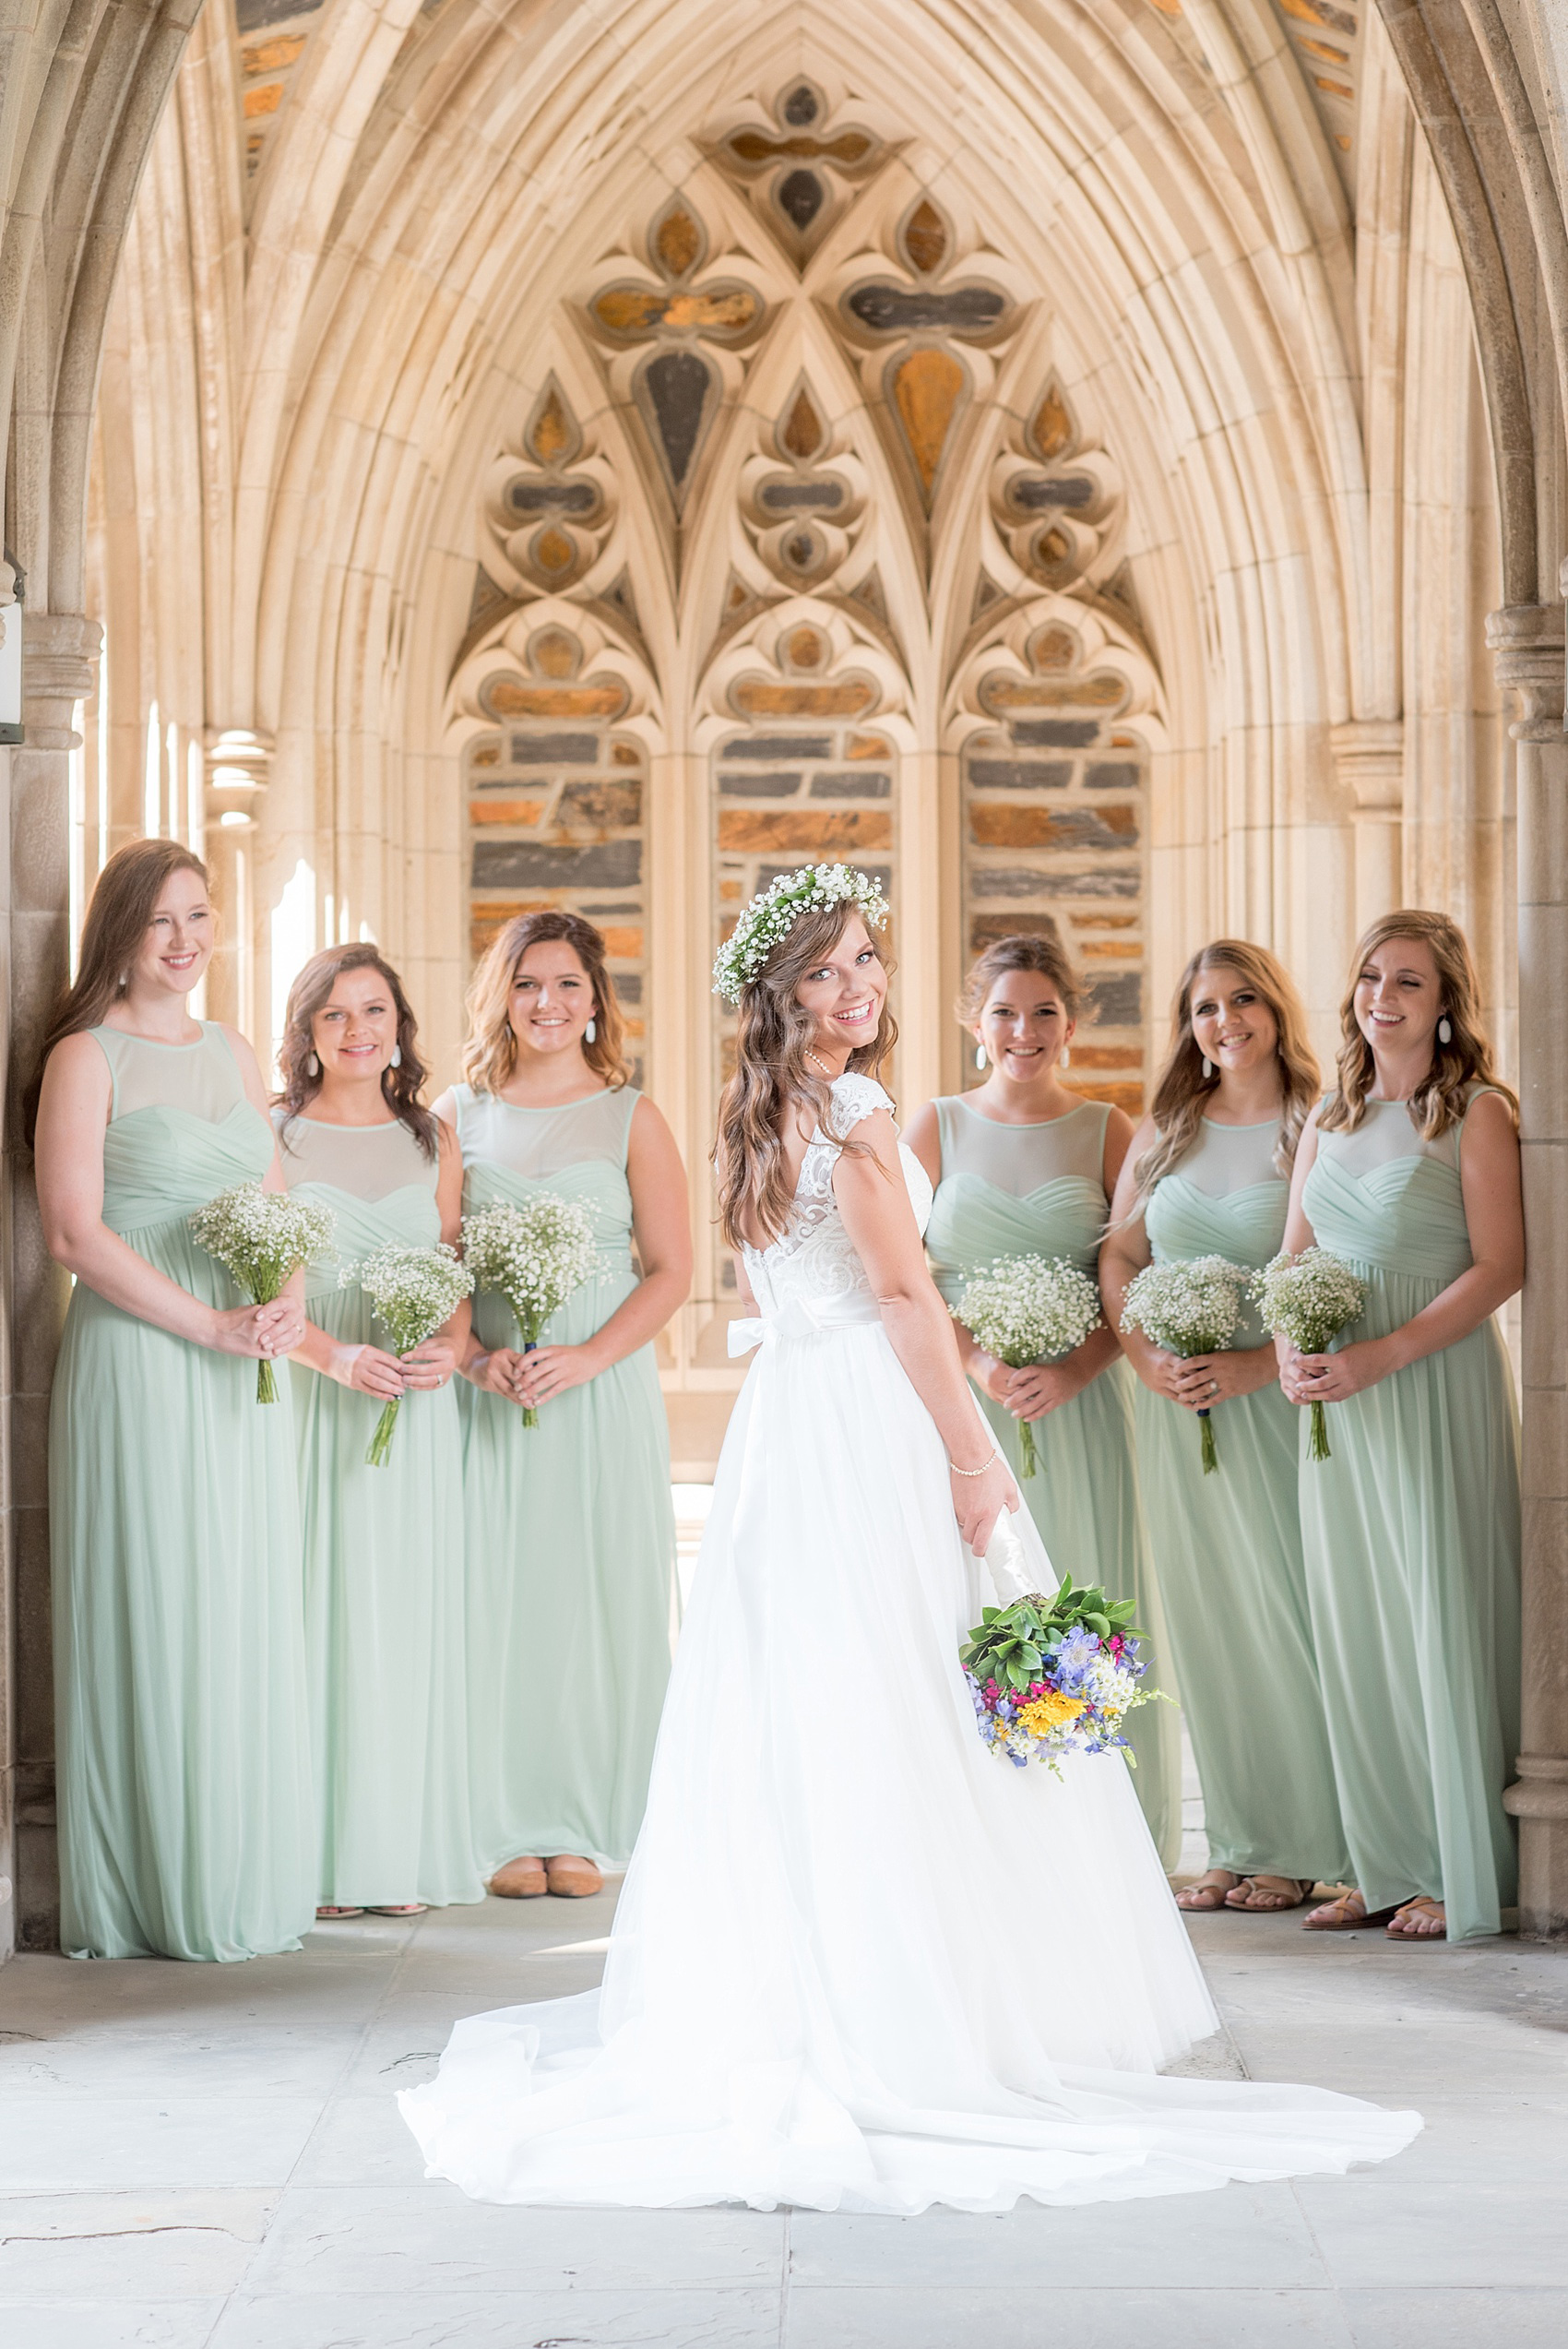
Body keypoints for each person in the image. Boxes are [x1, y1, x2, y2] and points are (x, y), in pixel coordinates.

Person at [400, 865, 1419, 2212]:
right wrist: (968, 1454)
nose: (857, 988)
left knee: (818, 1693)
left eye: (867, 960)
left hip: (789, 1422)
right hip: (869, 1421)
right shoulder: (865, 1108)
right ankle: (917, 2004)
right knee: (905, 1687)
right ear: (783, 993)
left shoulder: (755, 1108)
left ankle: (819, 1976)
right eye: (825, 972)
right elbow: (899, 1293)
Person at [33, 839, 314, 1961]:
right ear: (119, 931)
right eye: (162, 921)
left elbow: (274, 1196)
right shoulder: (84, 1058)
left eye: (200, 916)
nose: (186, 941)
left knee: (237, 1599)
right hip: (144, 1358)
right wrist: (208, 1324)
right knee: (157, 1597)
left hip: (244, 1358)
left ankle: (241, 1866)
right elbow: (70, 1233)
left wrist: (283, 1305)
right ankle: (155, 1880)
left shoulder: (233, 1048)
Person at [910, 933, 1181, 1869]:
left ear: (1070, 1020)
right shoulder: (931, 1128)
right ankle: (989, 1842)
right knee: (969, 1612)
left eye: (1041, 1012)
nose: (1021, 1030)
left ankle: (1109, 1846)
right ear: (970, 1020)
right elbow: (899, 1285)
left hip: (1082, 1410)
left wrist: (1075, 1367)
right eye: (1002, 1011)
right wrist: (980, 1366)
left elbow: (1131, 1279)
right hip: (961, 1411)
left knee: (1086, 1604)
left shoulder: (1111, 1130)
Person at [436, 911, 689, 1900]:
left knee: (590, 1596)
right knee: (493, 1597)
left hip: (598, 1386)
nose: (548, 1003)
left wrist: (587, 1355)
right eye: (529, 983)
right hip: (493, 1391)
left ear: (596, 1000)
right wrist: (471, 1360)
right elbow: (443, 1258)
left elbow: (668, 1273)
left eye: (568, 985)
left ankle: (581, 1818)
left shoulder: (633, 1115)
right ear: (501, 994)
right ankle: (500, 1821)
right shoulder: (458, 1112)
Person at [1281, 912, 1523, 1943]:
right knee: (1356, 1621)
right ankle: (1377, 1859)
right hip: (1336, 1397)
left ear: (1444, 1003)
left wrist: (1384, 1352)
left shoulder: (1473, 1113)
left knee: (1436, 1610)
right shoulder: (1324, 1119)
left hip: (1426, 1381)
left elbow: (1501, 1265)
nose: (1383, 996)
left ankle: (1447, 1860)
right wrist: (1291, 1340)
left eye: (1409, 982)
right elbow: (1291, 1250)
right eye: (1371, 976)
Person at [1101, 942, 1350, 1914]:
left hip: (1275, 1406)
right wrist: (1143, 1357)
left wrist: (1253, 1365)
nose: (1223, 1020)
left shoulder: (1314, 1125)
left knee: (1287, 1618)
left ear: (1275, 1008)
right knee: (1207, 1621)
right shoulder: (1165, 1129)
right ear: (1187, 1025)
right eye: (1204, 1006)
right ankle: (1239, 1836)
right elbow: (1119, 1256)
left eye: (1242, 999)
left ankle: (1305, 1841)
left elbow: (1334, 1267)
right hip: (1177, 1413)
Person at [277, 944, 482, 1921]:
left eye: (375, 1010)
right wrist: (332, 1356)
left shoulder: (430, 1141)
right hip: (316, 1402)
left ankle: (389, 1849)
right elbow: (257, 1279)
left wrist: (448, 1347)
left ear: (399, 1022)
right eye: (335, 1016)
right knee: (312, 1613)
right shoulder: (275, 1134)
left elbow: (449, 1270)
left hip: (412, 1402)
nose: (359, 1030)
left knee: (399, 1618)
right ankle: (313, 1854)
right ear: (307, 1035)